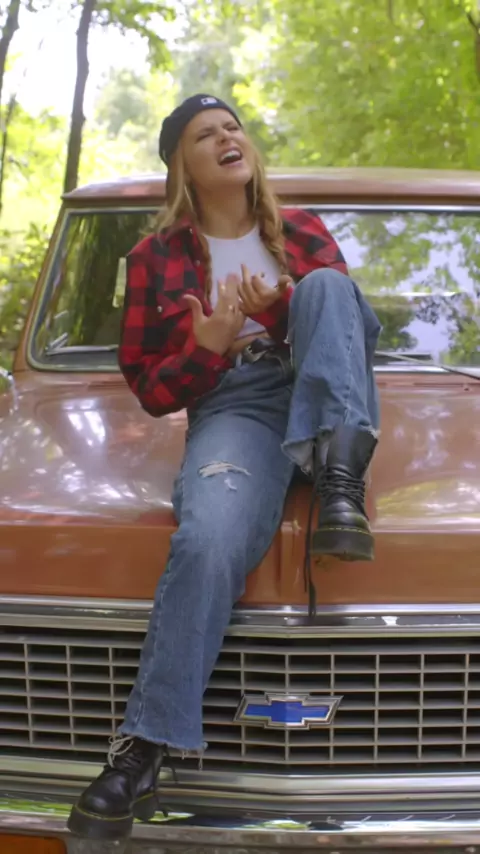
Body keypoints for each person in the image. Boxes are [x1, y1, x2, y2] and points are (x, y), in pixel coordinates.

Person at [67, 94, 381, 841]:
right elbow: (150, 390)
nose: (226, 138)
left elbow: (346, 333)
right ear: (182, 164)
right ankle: (143, 748)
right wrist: (209, 347)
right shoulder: (154, 259)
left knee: (326, 286)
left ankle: (340, 482)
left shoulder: (299, 229)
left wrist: (277, 312)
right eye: (205, 135)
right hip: (238, 405)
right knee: (205, 539)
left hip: (325, 389)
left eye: (232, 127)